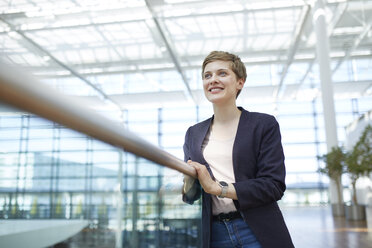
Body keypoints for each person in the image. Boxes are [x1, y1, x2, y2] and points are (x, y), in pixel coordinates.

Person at [182, 51, 294, 248]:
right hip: (214, 234)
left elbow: (273, 185)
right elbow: (191, 195)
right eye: (207, 76)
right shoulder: (193, 133)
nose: (213, 80)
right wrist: (183, 185)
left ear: (240, 82)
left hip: (257, 230)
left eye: (222, 74)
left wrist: (218, 188)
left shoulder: (263, 124)